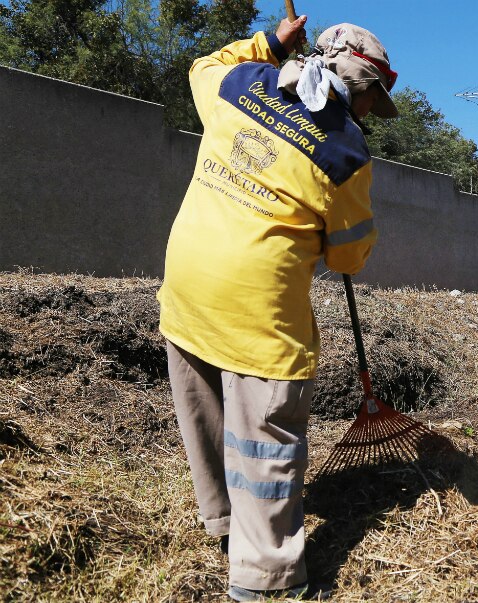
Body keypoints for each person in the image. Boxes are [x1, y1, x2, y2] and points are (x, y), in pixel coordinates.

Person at [158, 15, 398, 601]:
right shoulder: (345, 150)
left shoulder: (242, 84)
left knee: (205, 410)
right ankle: (264, 582)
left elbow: (201, 65)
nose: (370, 113)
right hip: (257, 313)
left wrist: (267, 44)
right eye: (372, 100)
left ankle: (222, 524)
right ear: (359, 86)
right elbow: (348, 257)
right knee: (266, 441)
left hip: (188, 287)